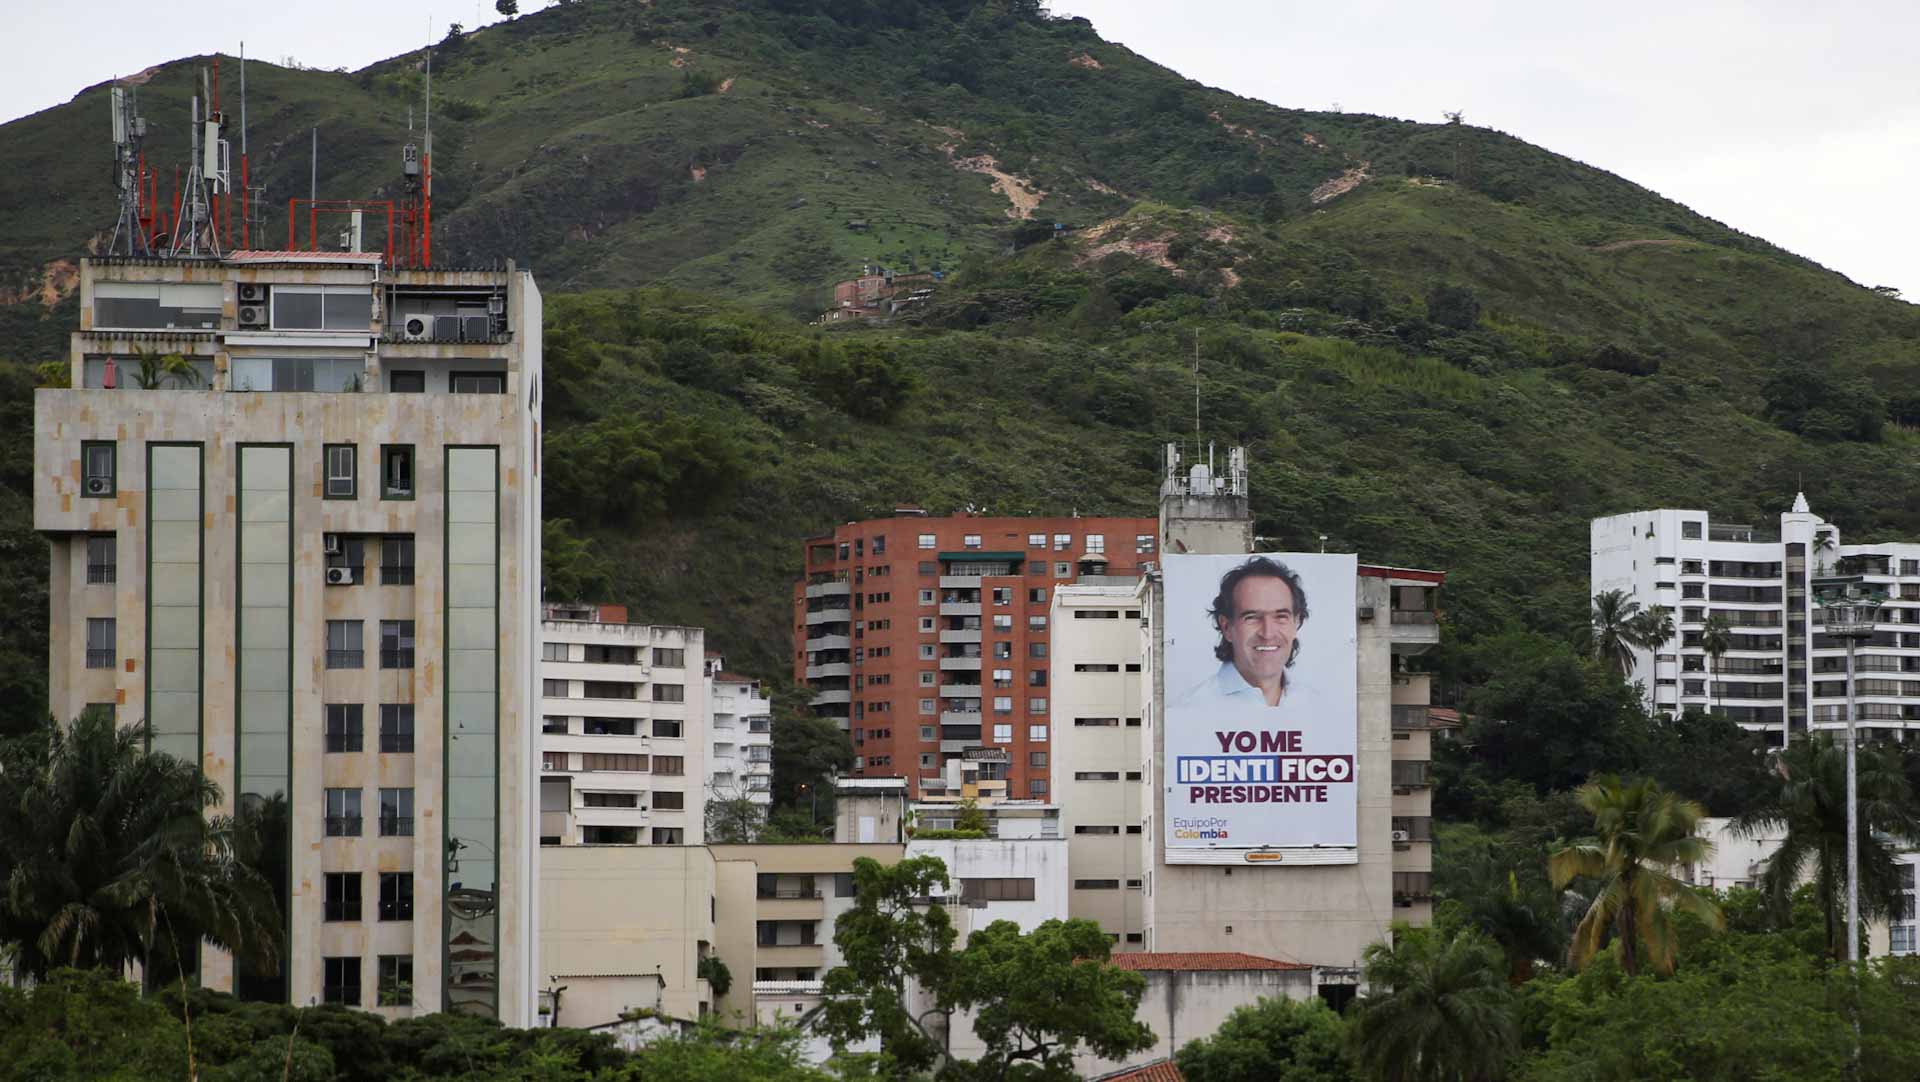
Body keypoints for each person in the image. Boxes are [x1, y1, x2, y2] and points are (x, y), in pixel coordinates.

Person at [1178, 556, 1309, 709]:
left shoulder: (1318, 707)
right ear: (1226, 627)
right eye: (1252, 617)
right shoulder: (1189, 709)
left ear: (1296, 623)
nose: (1268, 634)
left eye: (1281, 617)